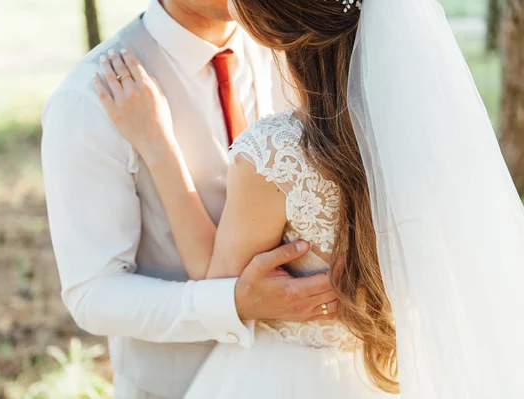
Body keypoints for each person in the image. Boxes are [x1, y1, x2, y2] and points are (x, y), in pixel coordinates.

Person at [94, 0, 524, 398]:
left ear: (271, 27)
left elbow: (215, 282)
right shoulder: (436, 137)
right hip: (394, 370)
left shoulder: (276, 154)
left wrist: (157, 145)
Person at [41, 0, 340, 398]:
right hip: (173, 387)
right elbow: (93, 293)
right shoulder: (89, 97)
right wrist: (231, 303)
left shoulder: (300, 50)